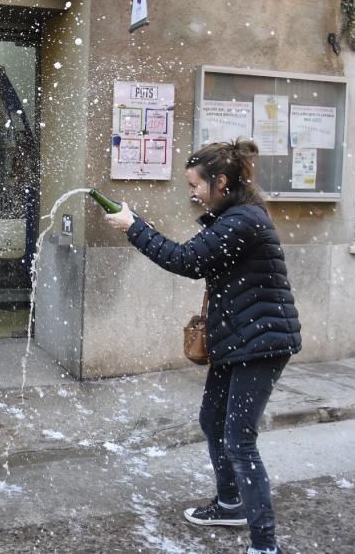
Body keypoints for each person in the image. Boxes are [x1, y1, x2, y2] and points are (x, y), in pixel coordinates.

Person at [103, 139, 301, 554]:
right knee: (213, 420)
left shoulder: (243, 221)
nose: (191, 192)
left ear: (221, 182)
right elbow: (194, 257)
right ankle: (231, 503)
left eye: (195, 184)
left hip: (261, 343)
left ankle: (265, 545)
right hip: (239, 340)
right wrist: (136, 224)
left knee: (239, 440)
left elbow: (186, 260)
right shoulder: (234, 216)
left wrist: (133, 228)